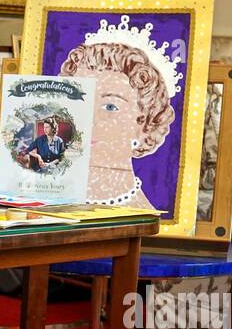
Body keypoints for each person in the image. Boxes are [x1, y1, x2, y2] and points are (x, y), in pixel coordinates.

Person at [60, 18, 179, 209]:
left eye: (109, 107)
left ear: (144, 124)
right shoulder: (41, 199)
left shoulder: (142, 217)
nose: (87, 120)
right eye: (79, 102)